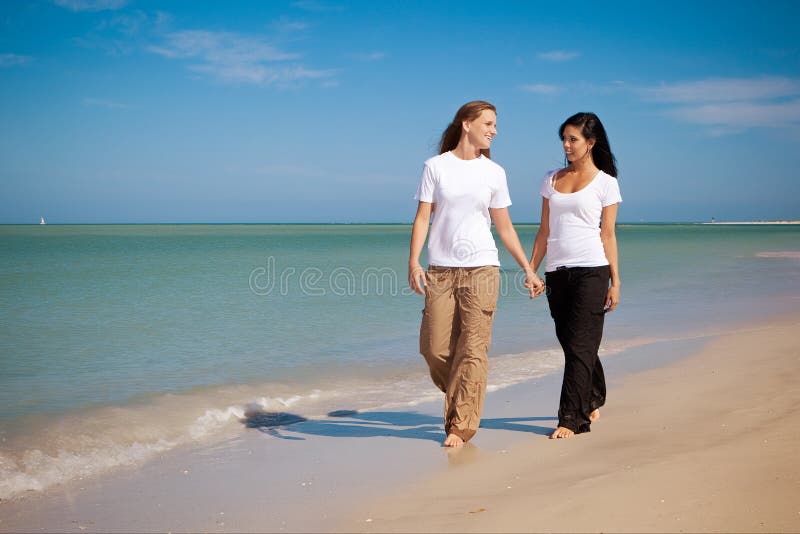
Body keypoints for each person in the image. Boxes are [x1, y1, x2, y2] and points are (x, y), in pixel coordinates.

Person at [408, 100, 543, 448]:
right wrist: (413, 262)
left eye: (495, 125)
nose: (494, 130)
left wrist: (528, 268)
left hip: (483, 269)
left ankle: (461, 426)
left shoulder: (494, 173)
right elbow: (424, 217)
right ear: (466, 124)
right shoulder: (435, 167)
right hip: (440, 270)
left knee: (473, 350)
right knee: (433, 348)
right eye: (488, 123)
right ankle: (461, 391)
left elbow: (505, 228)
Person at [528, 112, 622, 439]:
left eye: (573, 139)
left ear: (590, 143)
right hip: (556, 273)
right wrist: (532, 269)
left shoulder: (606, 183)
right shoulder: (551, 179)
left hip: (592, 272)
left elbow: (608, 235)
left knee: (580, 346)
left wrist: (616, 281)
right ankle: (593, 394)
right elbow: (543, 231)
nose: (567, 145)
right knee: (574, 345)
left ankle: (572, 418)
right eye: (564, 139)